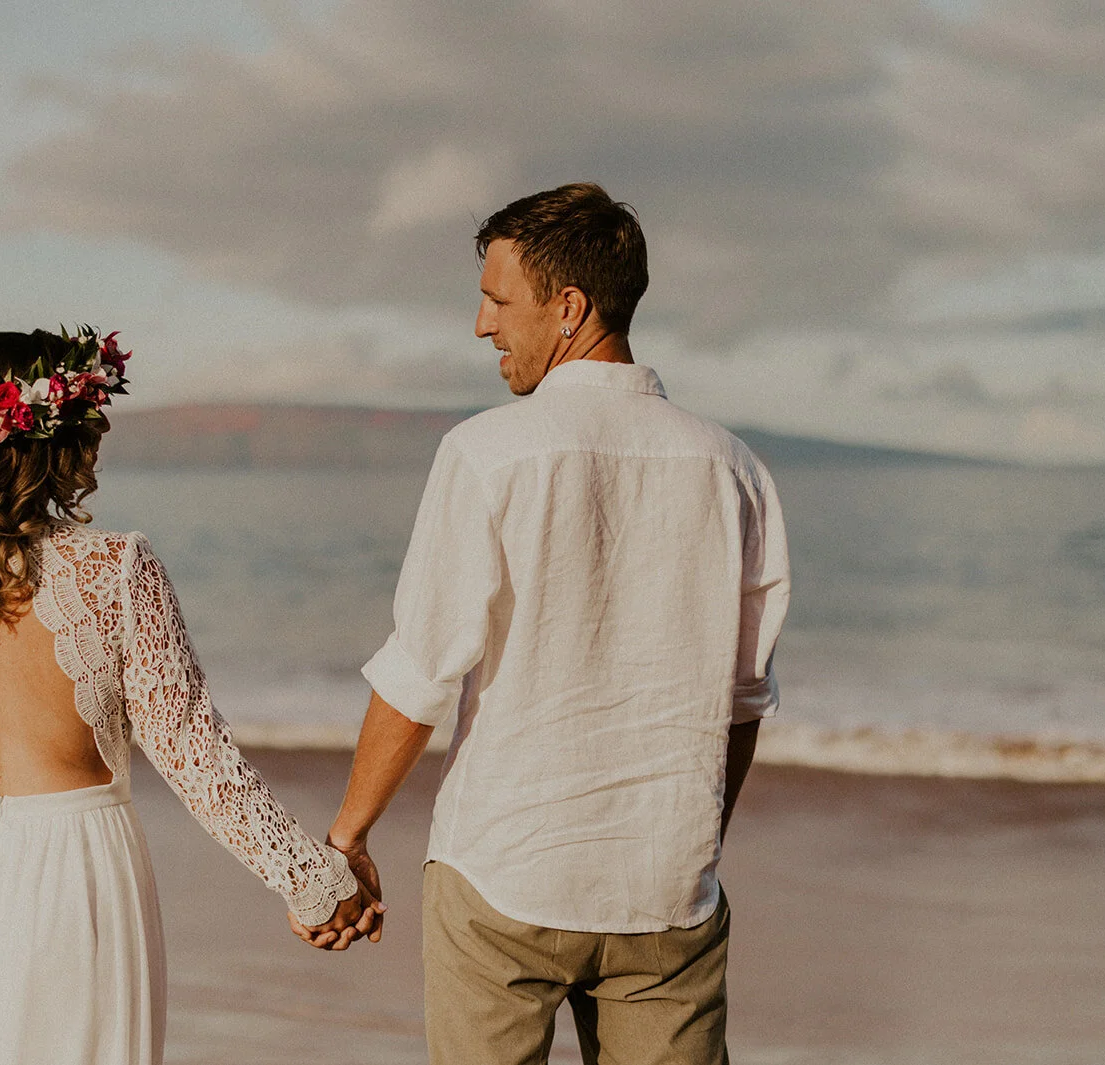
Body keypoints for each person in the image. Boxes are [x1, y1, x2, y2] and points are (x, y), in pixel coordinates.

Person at [316, 184, 791, 1064]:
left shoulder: (487, 452)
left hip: (504, 876)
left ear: (568, 307)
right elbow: (741, 700)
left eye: (498, 301)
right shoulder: (735, 470)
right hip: (664, 891)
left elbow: (423, 670)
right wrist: (687, 837)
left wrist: (348, 835)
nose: (481, 326)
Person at [0, 327, 382, 1065]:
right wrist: (314, 879)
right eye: (91, 411)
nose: (100, 433)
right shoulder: (114, 569)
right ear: (53, 432)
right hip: (73, 878)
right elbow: (194, 752)